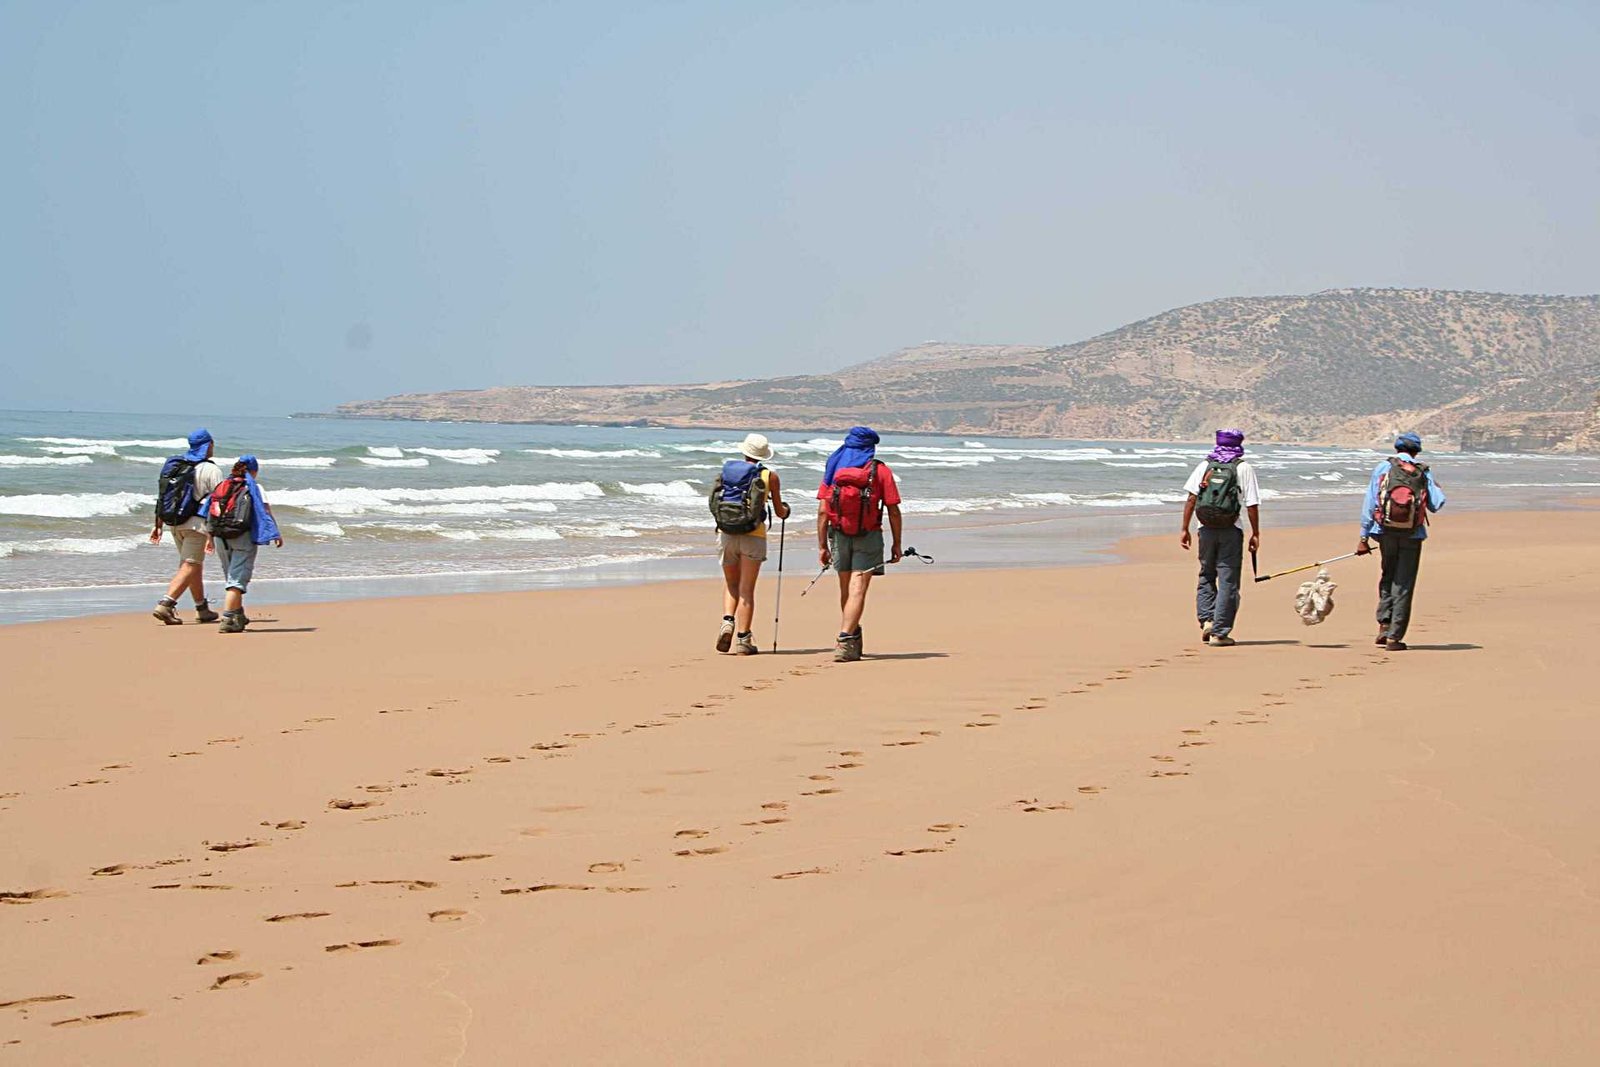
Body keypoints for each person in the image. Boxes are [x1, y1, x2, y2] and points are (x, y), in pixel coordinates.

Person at [817, 426, 903, 663]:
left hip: (839, 533)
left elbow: (823, 510)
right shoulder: (880, 471)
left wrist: (822, 545)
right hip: (869, 535)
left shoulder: (835, 468)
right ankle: (846, 639)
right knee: (858, 590)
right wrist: (897, 543)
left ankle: (852, 636)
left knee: (846, 589)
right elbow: (893, 510)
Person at [1354, 432, 1446, 651]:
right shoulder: (1422, 471)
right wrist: (1436, 486)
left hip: (1384, 531)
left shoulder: (1383, 468)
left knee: (1387, 576)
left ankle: (1383, 627)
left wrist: (1363, 537)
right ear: (1417, 451)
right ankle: (1395, 637)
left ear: (1397, 448)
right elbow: (1437, 503)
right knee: (1403, 583)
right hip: (1412, 535)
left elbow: (1369, 503)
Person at [1179, 429, 1262, 647]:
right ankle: (1219, 632)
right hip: (1231, 529)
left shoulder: (1204, 465)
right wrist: (1256, 533)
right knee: (1228, 580)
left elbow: (1191, 499)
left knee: (1206, 574)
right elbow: (1251, 504)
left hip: (1205, 528)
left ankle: (1207, 619)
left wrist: (1185, 528)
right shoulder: (1243, 468)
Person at [712, 433, 791, 655]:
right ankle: (743, 639)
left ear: (744, 451)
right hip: (753, 535)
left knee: (731, 585)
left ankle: (727, 621)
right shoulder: (769, 477)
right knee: (747, 589)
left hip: (726, 533)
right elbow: (779, 511)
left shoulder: (726, 472)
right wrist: (786, 510)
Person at [200, 455, 284, 634]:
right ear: (254, 470)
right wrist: (274, 532)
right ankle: (228, 618)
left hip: (220, 537)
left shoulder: (223, 485)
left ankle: (238, 615)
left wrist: (209, 539)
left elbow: (208, 512)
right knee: (237, 581)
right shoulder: (254, 488)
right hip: (242, 537)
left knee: (231, 576)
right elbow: (265, 512)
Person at [149, 428, 224, 625]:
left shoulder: (176, 465)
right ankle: (166, 604)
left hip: (175, 523)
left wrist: (158, 525)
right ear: (208, 445)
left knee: (192, 565)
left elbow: (162, 494)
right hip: (197, 525)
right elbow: (218, 501)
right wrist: (213, 532)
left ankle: (202, 608)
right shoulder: (211, 469)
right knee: (190, 564)